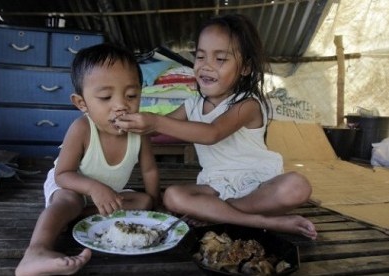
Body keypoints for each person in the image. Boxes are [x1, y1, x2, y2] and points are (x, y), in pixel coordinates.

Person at [115, 14, 317, 240]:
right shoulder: (192, 104)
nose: (206, 66)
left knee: (297, 186)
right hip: (215, 186)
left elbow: (213, 133)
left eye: (220, 59)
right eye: (200, 57)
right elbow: (154, 132)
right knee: (173, 196)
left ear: (246, 68)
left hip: (258, 185)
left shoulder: (247, 104)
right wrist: (126, 123)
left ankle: (217, 213)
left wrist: (155, 120)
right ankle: (257, 220)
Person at [15, 43, 160, 276]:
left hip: (102, 196)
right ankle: (36, 252)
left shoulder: (139, 132)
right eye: (105, 97)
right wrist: (93, 187)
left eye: (131, 95)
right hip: (70, 185)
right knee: (68, 201)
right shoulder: (82, 128)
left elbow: (150, 170)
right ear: (82, 103)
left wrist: (155, 205)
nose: (121, 105)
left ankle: (72, 220)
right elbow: (62, 175)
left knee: (142, 202)